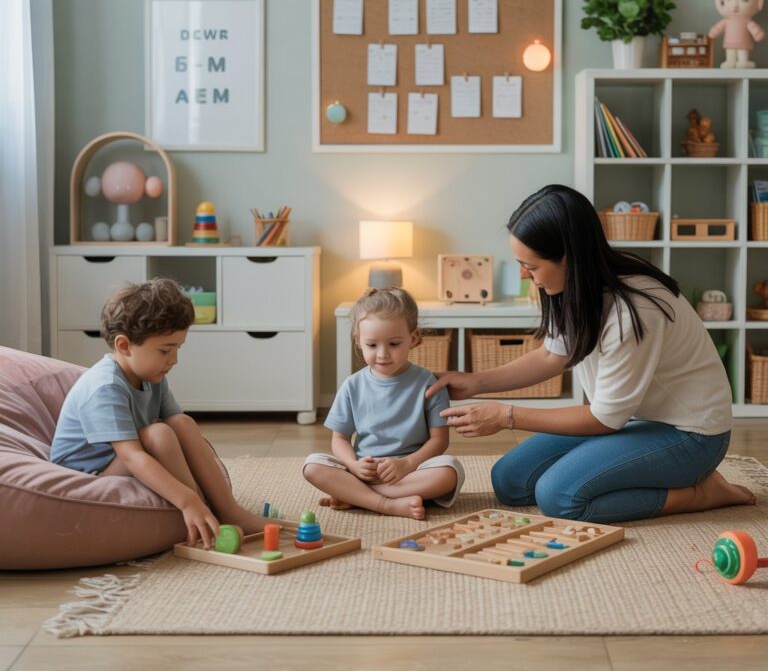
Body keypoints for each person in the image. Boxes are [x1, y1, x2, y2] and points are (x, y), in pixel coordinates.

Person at [426, 185, 755, 523]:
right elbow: (552, 356)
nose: (524, 274)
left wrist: (506, 416)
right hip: (632, 420)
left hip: (691, 435)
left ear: (569, 257)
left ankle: (701, 493)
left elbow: (603, 420)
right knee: (509, 481)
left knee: (558, 497)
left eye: (532, 266)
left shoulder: (633, 311)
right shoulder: (577, 289)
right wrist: (473, 381)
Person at [50, 278, 265, 548]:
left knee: (182, 423)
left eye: (177, 348)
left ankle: (228, 511)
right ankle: (203, 513)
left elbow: (180, 429)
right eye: (165, 350)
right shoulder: (105, 387)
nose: (174, 360)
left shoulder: (151, 375)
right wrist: (188, 500)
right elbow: (132, 456)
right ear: (124, 346)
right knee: (159, 433)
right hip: (89, 479)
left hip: (121, 461)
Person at [303, 287, 464, 520]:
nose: (382, 354)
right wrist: (354, 466)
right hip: (362, 472)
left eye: (394, 344)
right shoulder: (352, 386)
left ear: (414, 338)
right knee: (312, 465)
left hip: (410, 472)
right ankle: (386, 504)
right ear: (358, 341)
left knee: (450, 471)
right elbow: (339, 439)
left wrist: (407, 464)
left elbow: (440, 440)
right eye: (372, 345)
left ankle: (357, 497)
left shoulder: (429, 383)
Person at [708, 0, 765, 69]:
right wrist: (713, 32)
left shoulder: (747, 22)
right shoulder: (726, 21)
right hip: (729, 43)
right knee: (730, 53)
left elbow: (754, 28)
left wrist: (757, 33)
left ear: (760, 3)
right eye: (727, 0)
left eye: (744, 0)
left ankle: (744, 62)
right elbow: (718, 28)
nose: (735, 5)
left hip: (744, 44)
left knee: (743, 52)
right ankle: (730, 61)